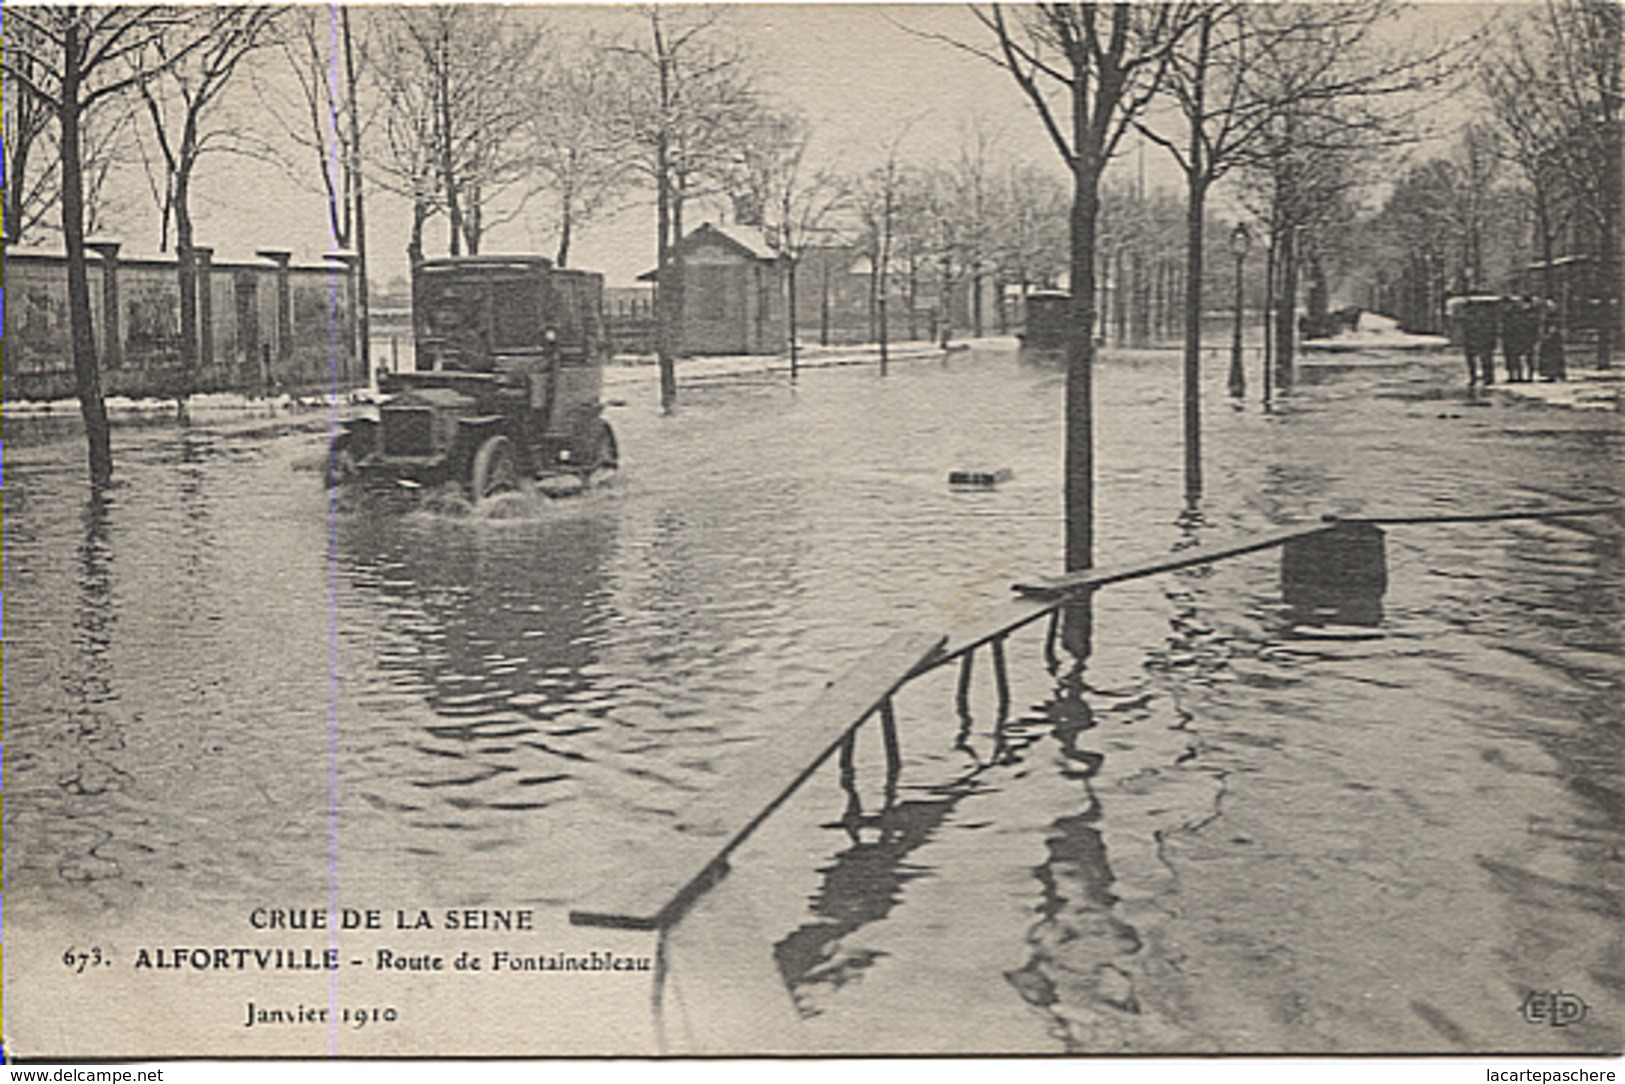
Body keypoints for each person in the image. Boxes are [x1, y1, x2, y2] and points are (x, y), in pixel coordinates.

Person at [1460, 298, 1500, 385]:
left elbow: (1490, 330)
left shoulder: (1476, 318)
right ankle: (1485, 377)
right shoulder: (1482, 317)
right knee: (1482, 359)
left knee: (1481, 359)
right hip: (1476, 340)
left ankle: (1482, 377)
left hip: (1480, 340)